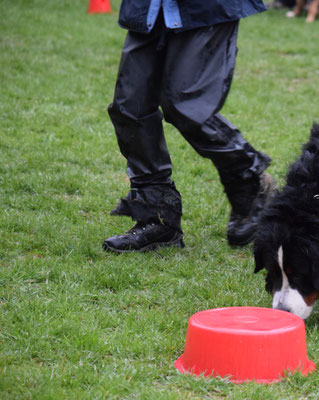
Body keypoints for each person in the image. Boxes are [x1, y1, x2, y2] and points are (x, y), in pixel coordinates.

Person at [102, 0, 276, 253]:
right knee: (130, 108)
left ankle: (249, 179)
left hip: (205, 8)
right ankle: (158, 219)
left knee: (187, 106)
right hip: (149, 7)